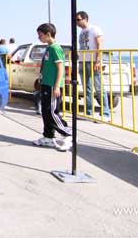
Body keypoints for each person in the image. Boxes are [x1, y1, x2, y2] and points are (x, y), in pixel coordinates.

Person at [32, 23, 72, 151]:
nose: (39, 37)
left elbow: (60, 68)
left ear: (48, 34)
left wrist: (56, 86)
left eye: (40, 35)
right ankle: (48, 137)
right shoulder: (49, 48)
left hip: (52, 85)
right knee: (45, 112)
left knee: (51, 112)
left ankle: (68, 133)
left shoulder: (55, 48)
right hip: (46, 84)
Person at [76, 11, 110, 119]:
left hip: (92, 61)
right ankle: (89, 112)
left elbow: (100, 44)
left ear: (85, 19)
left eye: (78, 20)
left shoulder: (95, 29)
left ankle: (105, 113)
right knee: (87, 88)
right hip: (83, 61)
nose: (77, 22)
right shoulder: (81, 32)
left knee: (99, 87)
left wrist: (98, 60)